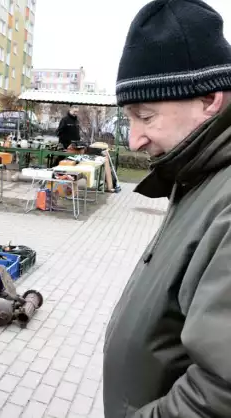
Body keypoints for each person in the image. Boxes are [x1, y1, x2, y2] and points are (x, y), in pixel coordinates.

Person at [103, 1, 231, 417]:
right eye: (130, 118)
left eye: (146, 116)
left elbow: (219, 392)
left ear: (210, 98)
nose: (135, 139)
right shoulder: (199, 171)